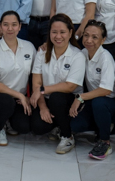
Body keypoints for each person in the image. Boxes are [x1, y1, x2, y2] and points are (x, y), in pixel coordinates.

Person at [29, 14, 85, 154]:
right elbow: (36, 83)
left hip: (70, 101)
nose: (58, 36)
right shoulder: (42, 52)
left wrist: (43, 89)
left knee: (57, 97)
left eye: (62, 32)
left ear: (70, 33)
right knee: (37, 127)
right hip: (47, 99)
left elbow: (70, 86)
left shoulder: (77, 55)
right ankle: (58, 125)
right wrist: (42, 108)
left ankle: (67, 136)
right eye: (54, 32)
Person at [0, 11, 36, 145]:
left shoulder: (29, 47)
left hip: (18, 98)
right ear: (0, 27)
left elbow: (36, 75)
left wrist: (29, 96)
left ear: (20, 27)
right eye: (6, 25)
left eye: (14, 25)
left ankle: (8, 119)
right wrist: (20, 95)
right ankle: (0, 129)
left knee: (24, 127)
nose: (10, 29)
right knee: (6, 102)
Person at [69, 20, 115, 160]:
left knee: (99, 103)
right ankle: (101, 125)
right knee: (76, 125)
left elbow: (106, 90)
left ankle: (105, 141)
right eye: (86, 35)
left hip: (109, 102)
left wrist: (80, 98)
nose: (89, 40)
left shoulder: (106, 58)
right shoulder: (83, 53)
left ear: (103, 40)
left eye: (95, 37)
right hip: (92, 99)